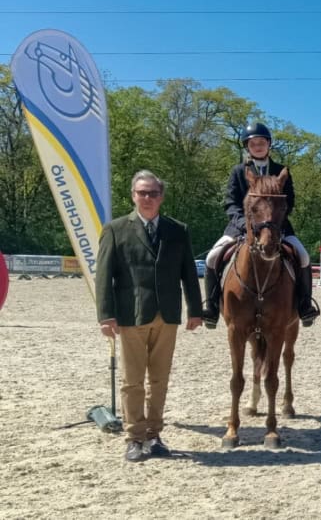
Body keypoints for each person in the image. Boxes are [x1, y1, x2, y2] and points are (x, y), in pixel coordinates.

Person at [95, 171, 203, 462]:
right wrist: (106, 315)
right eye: (142, 193)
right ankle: (134, 437)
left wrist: (195, 310)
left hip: (167, 315)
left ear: (161, 197)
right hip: (131, 315)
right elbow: (104, 277)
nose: (147, 198)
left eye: (153, 193)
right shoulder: (116, 229)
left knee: (159, 379)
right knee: (132, 381)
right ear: (133, 195)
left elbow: (189, 275)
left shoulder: (177, 230)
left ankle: (154, 435)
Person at [201, 122, 319, 328]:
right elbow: (230, 202)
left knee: (303, 255)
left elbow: (289, 201)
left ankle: (304, 305)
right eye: (253, 143)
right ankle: (211, 307)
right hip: (240, 227)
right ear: (248, 147)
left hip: (276, 227)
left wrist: (274, 223)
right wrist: (242, 223)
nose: (257, 146)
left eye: (261, 142)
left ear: (268, 144)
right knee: (212, 256)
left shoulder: (281, 170)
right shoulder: (238, 171)